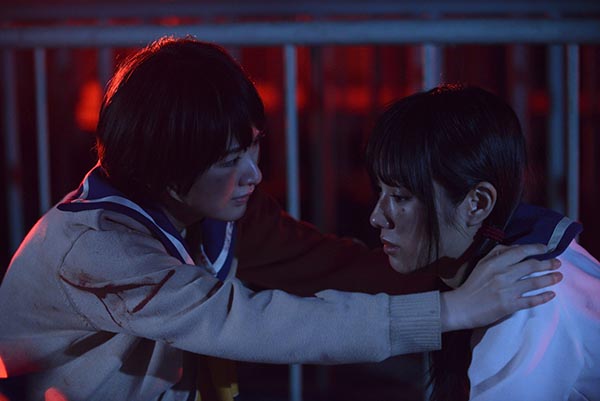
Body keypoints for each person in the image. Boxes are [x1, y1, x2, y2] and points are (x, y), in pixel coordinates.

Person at [0, 37, 561, 401]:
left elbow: (327, 266)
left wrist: (464, 269)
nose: (254, 173)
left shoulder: (217, 209)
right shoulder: (94, 247)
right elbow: (247, 322)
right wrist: (452, 310)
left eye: (253, 147)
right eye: (229, 160)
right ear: (167, 167)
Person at [366, 84, 599, 401]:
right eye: (379, 191)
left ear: (477, 203)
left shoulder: (529, 294)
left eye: (400, 197)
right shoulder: (495, 262)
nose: (377, 217)